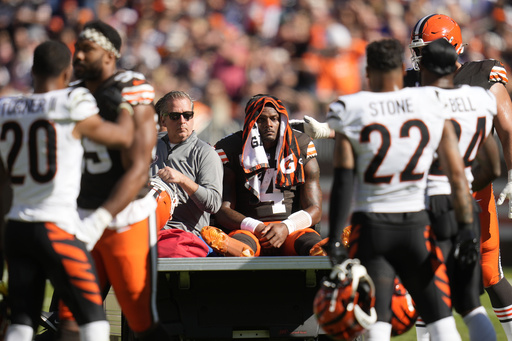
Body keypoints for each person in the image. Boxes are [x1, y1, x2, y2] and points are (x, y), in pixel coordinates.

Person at [326, 38, 475, 341]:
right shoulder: (430, 103)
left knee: (377, 322)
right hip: (416, 225)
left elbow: (343, 179)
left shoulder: (350, 107)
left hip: (370, 227)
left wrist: (335, 235)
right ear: (402, 68)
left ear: (368, 71)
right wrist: (465, 228)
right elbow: (456, 174)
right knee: (441, 320)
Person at [0, 40, 135, 341]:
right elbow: (123, 137)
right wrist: (128, 104)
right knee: (95, 321)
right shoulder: (72, 102)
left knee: (21, 322)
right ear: (66, 74)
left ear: (32, 71)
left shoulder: (5, 106)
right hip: (56, 227)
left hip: (17, 230)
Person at [53, 20, 169, 341]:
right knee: (69, 318)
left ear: (108, 54)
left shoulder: (130, 89)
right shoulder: (71, 94)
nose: (77, 57)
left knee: (141, 320)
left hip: (125, 217)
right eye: (76, 49)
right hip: (79, 214)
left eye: (86, 49)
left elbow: (137, 167)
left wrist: (101, 217)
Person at [407, 13, 512, 339]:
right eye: (418, 50)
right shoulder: (408, 81)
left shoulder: (481, 78)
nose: (418, 57)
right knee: (424, 272)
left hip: (471, 189)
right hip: (425, 190)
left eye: (424, 49)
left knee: (488, 273)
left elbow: (507, 130)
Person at [204, 94, 325, 257]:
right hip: (250, 231)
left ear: (281, 119)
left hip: (292, 230)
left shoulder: (300, 144)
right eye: (261, 120)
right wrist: (256, 227)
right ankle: (233, 247)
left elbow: (315, 209)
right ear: (249, 122)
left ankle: (327, 247)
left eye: (274, 118)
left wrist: (286, 226)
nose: (269, 124)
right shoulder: (230, 148)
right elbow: (222, 210)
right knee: (243, 246)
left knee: (311, 245)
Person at [151, 90, 223, 257]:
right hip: (145, 228)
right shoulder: (148, 147)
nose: (182, 121)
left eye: (187, 115)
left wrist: (183, 180)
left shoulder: (205, 153)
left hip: (183, 234)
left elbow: (213, 204)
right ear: (163, 119)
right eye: (175, 116)